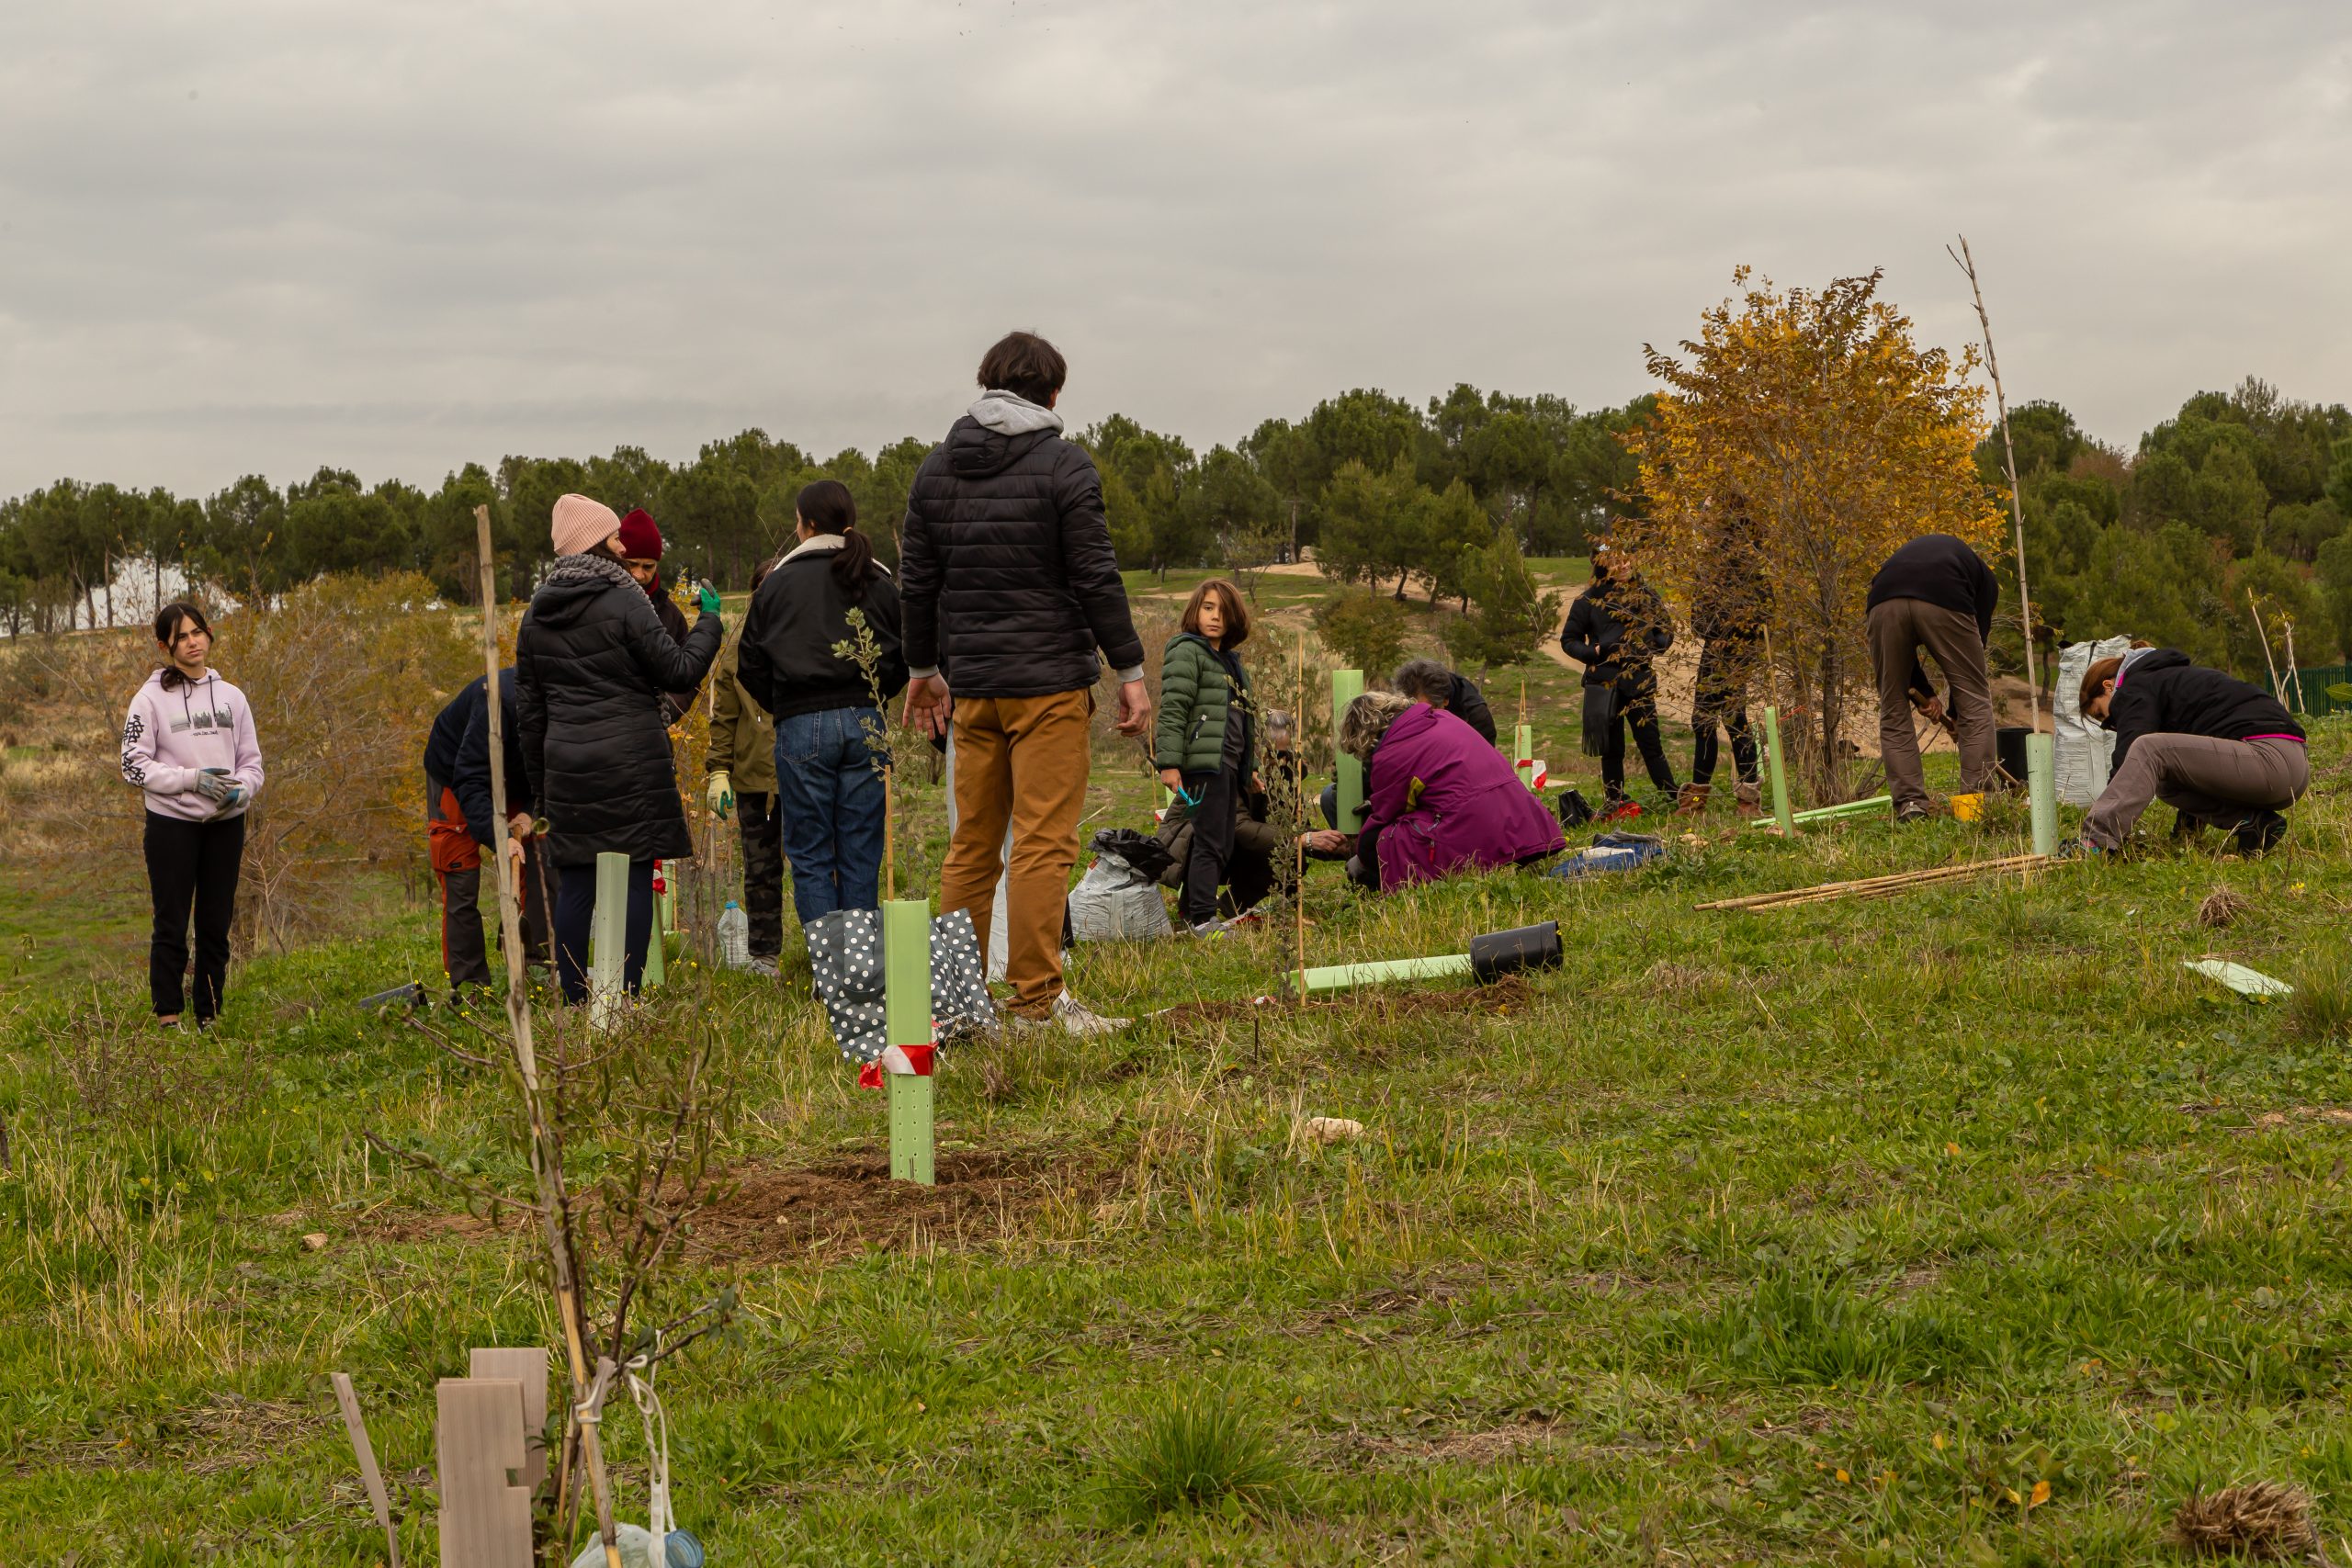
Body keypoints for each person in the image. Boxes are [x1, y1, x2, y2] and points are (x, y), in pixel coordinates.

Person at [900, 330, 1150, 1038]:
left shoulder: (934, 472)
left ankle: (953, 1007)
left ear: (986, 384)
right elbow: (1095, 577)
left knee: (972, 845)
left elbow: (918, 584)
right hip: (1048, 688)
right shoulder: (1065, 466)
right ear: (1053, 393)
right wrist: (1130, 671)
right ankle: (1037, 1000)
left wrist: (924, 671)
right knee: (1042, 841)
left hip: (973, 688)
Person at [518, 493, 722, 1005]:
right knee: (633, 877)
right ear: (595, 544)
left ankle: (575, 1000)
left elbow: (531, 716)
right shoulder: (625, 596)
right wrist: (710, 626)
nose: (621, 543)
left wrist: (543, 791)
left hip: (568, 765)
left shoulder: (534, 617)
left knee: (576, 885)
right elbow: (677, 670)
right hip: (630, 762)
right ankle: (624, 1000)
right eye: (613, 537)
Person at [736, 479, 907, 929]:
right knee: (861, 850)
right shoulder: (879, 580)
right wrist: (874, 695)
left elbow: (749, 662)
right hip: (865, 720)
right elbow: (905, 653)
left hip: (800, 722)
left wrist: (785, 703)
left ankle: (830, 974)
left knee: (811, 853)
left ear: (807, 524)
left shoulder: (776, 585)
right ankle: (861, 971)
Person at [119, 603, 264, 1031]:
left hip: (225, 825)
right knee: (171, 923)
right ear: (166, 645)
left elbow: (252, 764)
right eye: (182, 636)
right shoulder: (148, 699)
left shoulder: (233, 697)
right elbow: (132, 764)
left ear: (210, 632)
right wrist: (190, 780)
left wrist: (241, 791)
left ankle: (210, 1013)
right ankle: (168, 1015)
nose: (193, 641)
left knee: (216, 924)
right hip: (171, 826)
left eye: (198, 631)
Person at [2076, 648, 2308, 855]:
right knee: (2167, 779)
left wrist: (2102, 826)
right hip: (2289, 769)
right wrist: (2185, 835)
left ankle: (2095, 843)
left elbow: (2129, 755)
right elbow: (2197, 767)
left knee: (2148, 748)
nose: (2109, 723)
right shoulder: (2166, 683)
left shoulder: (2135, 687)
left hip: (2268, 757)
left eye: (2100, 714)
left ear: (2108, 686)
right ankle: (2254, 824)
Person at [1334, 691, 1565, 890]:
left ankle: (1382, 887)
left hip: (1477, 830)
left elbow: (1386, 815)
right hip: (1523, 825)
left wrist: (1362, 859)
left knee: (1386, 837)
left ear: (1362, 734)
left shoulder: (1392, 752)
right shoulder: (1443, 718)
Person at [422, 669, 549, 998]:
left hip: (520, 778)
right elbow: (470, 780)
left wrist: (530, 810)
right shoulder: (493, 701)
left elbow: (558, 770)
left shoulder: (571, 706)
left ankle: (536, 963)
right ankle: (470, 985)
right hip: (457, 773)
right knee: (459, 870)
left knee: (541, 857)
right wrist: (498, 836)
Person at [1866, 533, 1998, 821]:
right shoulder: (1987, 583)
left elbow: (1903, 660)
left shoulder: (1905, 563)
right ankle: (1975, 806)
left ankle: (1910, 805)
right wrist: (1959, 714)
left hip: (1882, 600)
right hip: (1944, 592)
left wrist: (1934, 700)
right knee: (1975, 700)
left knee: (1892, 706)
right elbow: (1969, 673)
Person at [1157, 578, 1258, 931]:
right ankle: (1202, 917)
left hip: (1227, 762)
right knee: (1212, 838)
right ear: (1196, 611)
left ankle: (1191, 913)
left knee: (1219, 838)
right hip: (1203, 764)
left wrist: (1253, 766)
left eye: (1223, 610)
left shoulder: (1230, 661)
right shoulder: (1187, 650)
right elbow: (1173, 708)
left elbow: (1243, 720)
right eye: (1208, 607)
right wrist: (1168, 763)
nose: (1215, 616)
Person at [704, 556, 785, 975]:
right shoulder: (737, 651)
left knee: (817, 870)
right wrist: (718, 770)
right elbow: (724, 718)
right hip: (754, 780)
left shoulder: (806, 636)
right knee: (761, 871)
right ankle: (764, 954)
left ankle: (829, 955)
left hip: (805, 775)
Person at [1560, 543, 1678, 819]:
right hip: (1604, 685)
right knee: (1612, 749)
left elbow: (1666, 628)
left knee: (1651, 744)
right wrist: (1594, 652)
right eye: (1616, 562)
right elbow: (1568, 640)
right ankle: (1615, 802)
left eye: (1627, 560)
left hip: (1639, 681)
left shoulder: (1646, 594)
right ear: (1603, 566)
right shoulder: (1588, 601)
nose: (1624, 565)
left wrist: (1658, 644)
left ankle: (1673, 799)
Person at [1686, 513, 1763, 814]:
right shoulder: (1709, 568)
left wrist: (1736, 635)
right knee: (1702, 721)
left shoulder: (1751, 566)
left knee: (1734, 720)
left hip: (1740, 650)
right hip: (1713, 650)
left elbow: (1764, 612)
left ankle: (1747, 798)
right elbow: (1698, 616)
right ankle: (1696, 798)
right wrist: (1713, 631)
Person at [616, 506, 707, 722]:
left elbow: (689, 679)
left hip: (651, 732)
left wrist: (665, 711)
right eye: (632, 564)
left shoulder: (671, 616)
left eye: (648, 566)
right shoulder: (599, 603)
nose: (639, 574)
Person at [1392, 659, 1498, 745]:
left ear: (1445, 701)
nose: (1416, 717)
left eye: (1425, 712)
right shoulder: (1398, 708)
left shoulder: (1477, 717)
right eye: (1411, 709)